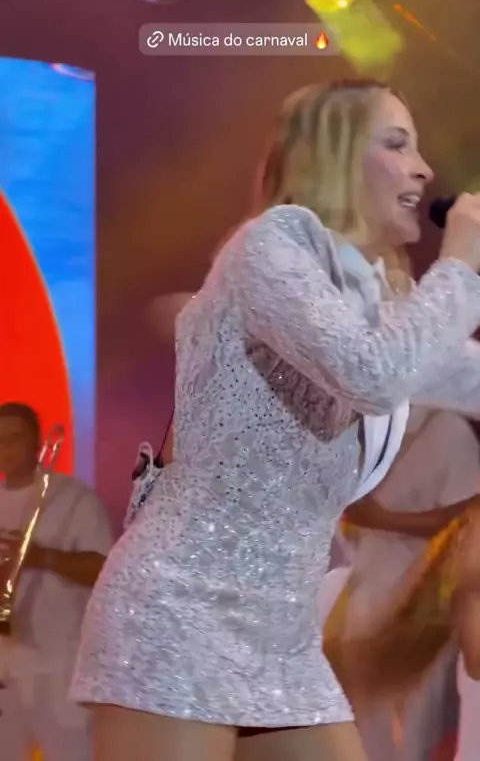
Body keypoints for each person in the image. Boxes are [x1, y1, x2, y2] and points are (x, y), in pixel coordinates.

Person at [70, 78, 480, 761]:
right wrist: (461, 265)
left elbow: (454, 372)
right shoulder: (268, 247)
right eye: (397, 144)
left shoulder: (372, 307)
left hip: (282, 635)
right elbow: (374, 376)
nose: (424, 169)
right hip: (181, 607)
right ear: (336, 154)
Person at [334, 407, 480, 761]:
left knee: (413, 731)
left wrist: (383, 519)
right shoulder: (368, 429)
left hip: (424, 602)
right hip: (372, 596)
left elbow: (464, 515)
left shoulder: (449, 430)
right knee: (366, 727)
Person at [0, 401, 114, 761]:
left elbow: (104, 570)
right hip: (5, 672)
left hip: (60, 669)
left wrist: (41, 557)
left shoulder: (73, 497)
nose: (6, 448)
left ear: (38, 443)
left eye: (15, 438)